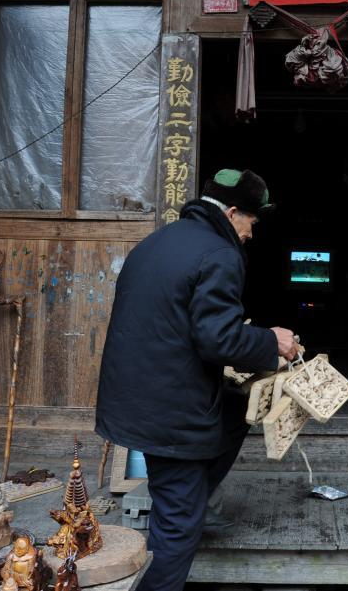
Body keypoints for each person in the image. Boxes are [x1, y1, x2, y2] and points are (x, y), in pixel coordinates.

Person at [96, 168, 298, 591]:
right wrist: (271, 340)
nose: (251, 233)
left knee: (236, 410)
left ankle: (191, 498)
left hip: (133, 399)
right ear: (232, 212)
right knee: (177, 526)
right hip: (170, 410)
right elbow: (218, 339)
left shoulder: (157, 242)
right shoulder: (219, 253)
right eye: (251, 221)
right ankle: (182, 519)